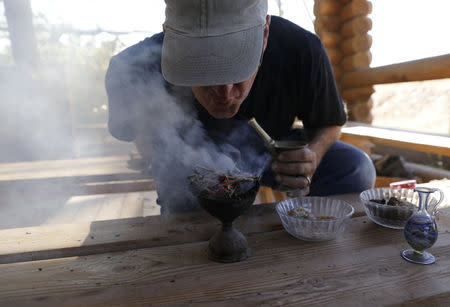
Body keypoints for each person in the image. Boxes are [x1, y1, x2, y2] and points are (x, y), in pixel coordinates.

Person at [105, 0, 376, 213]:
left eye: (238, 67)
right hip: (192, 164)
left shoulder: (301, 49)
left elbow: (329, 121)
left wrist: (313, 156)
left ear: (265, 34)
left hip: (272, 154)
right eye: (203, 69)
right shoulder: (132, 70)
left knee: (355, 167)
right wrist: (163, 156)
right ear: (171, 40)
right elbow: (137, 135)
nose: (224, 92)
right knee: (183, 205)